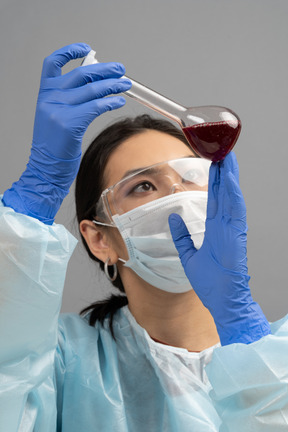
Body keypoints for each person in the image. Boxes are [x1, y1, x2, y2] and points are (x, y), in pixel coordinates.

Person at [0, 43, 287, 432]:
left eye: (191, 176)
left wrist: (244, 331)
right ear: (99, 238)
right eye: (145, 185)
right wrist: (34, 198)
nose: (179, 196)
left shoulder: (280, 357)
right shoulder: (60, 362)